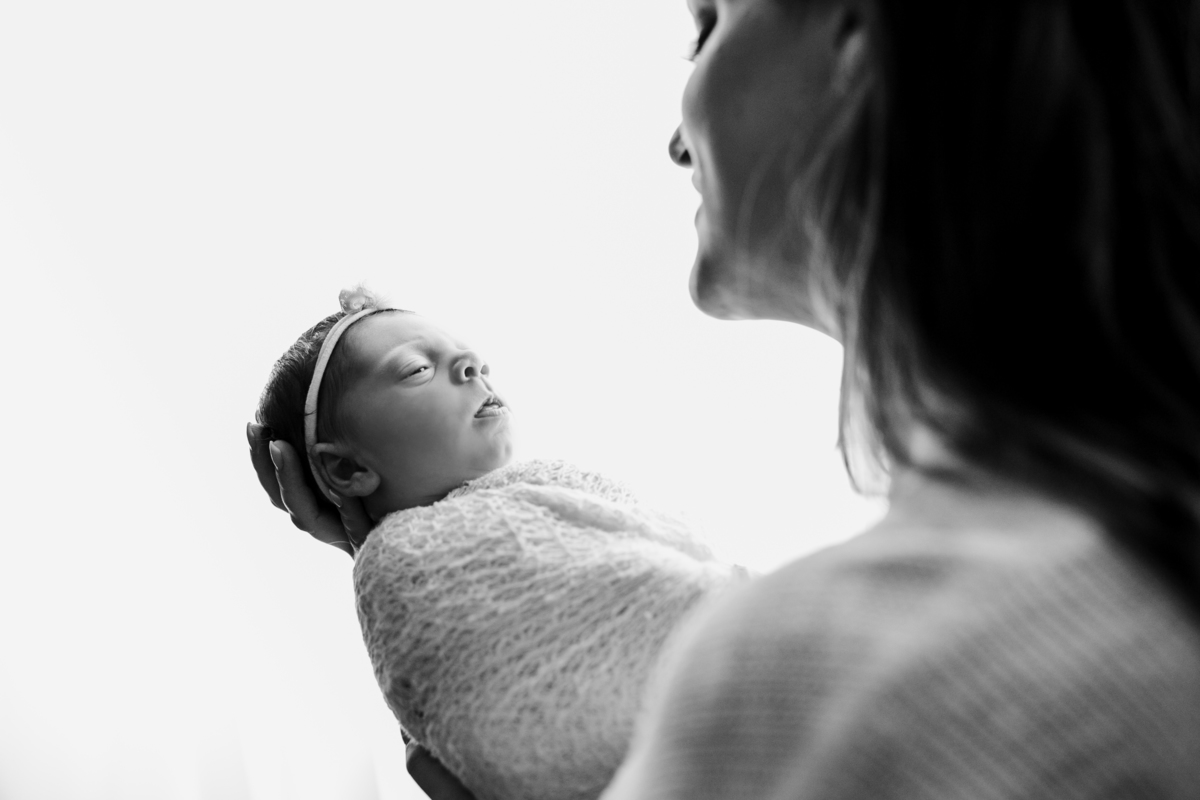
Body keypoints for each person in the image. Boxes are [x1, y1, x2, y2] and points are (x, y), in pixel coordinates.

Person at [250, 0, 1200, 797]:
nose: (673, 139)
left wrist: (401, 555)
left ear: (858, 30)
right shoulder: (1125, 546)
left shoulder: (805, 691)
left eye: (708, 24)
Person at [253, 289, 741, 800]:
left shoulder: (527, 495)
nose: (471, 364)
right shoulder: (408, 559)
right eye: (417, 370)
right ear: (347, 468)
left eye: (470, 356)